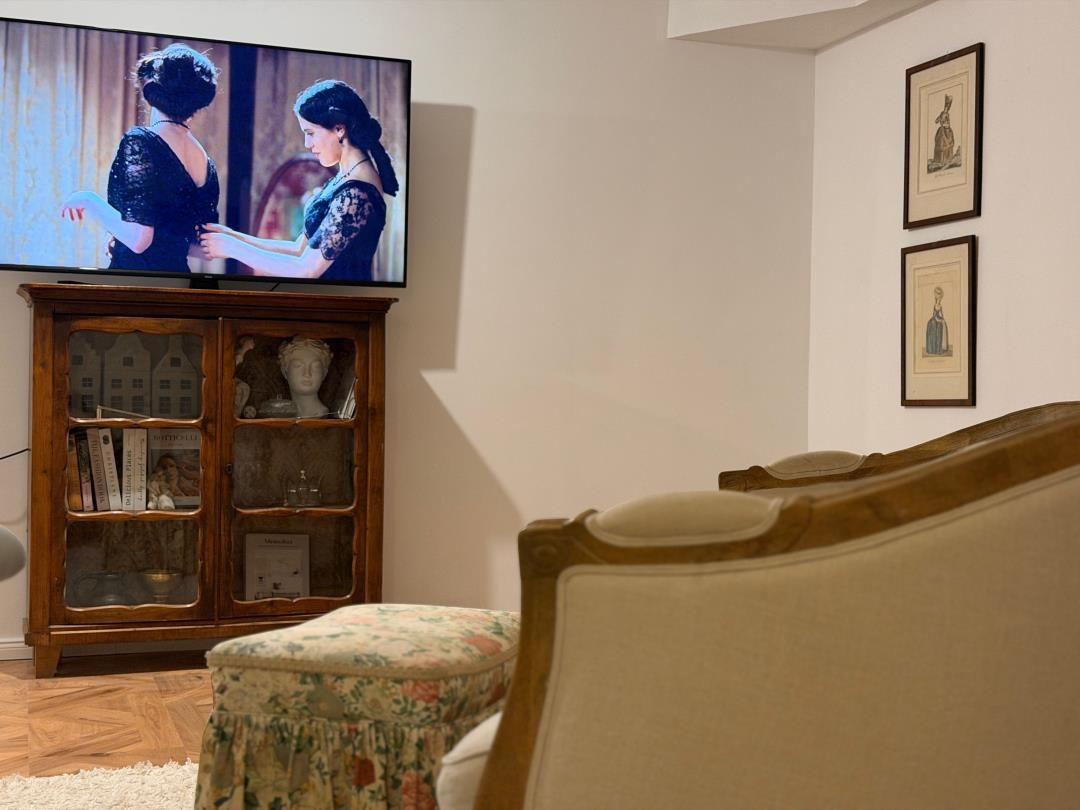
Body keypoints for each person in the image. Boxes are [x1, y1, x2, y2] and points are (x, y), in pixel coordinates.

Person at [199, 79, 399, 281]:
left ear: (339, 129)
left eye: (310, 133)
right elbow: (299, 250)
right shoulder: (345, 178)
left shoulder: (357, 193)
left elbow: (306, 270)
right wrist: (232, 236)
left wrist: (232, 248)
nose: (307, 143)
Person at [60, 44, 221, 273]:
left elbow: (139, 239)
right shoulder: (204, 160)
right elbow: (203, 248)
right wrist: (123, 236)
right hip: (179, 283)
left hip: (135, 282)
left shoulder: (141, 141)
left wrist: (87, 199)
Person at [278, 337, 332, 417]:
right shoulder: (283, 415)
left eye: (316, 367)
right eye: (298, 366)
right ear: (284, 371)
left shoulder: (326, 415)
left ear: (324, 373)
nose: (307, 374)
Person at [925, 286, 949, 356]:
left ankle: (941, 347)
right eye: (939, 298)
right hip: (934, 319)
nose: (939, 300)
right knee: (936, 325)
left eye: (940, 298)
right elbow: (934, 315)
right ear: (936, 298)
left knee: (944, 324)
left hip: (938, 318)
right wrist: (939, 320)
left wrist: (942, 319)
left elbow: (941, 315)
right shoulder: (935, 305)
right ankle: (935, 349)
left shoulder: (940, 306)